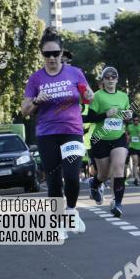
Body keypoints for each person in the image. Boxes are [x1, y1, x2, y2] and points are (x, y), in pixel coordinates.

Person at [21, 27, 91, 233]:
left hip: (72, 131)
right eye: (47, 54)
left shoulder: (75, 73)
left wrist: (88, 94)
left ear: (62, 53)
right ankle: (58, 222)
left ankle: (70, 211)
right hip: (47, 135)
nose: (51, 58)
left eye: (55, 53)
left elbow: (88, 98)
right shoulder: (35, 79)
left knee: (71, 175)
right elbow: (25, 111)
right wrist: (36, 101)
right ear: (41, 54)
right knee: (53, 181)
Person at [84, 66, 132, 217]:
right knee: (103, 175)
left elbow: (127, 116)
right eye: (107, 77)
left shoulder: (124, 96)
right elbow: (89, 118)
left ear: (117, 79)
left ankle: (117, 203)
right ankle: (96, 183)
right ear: (103, 81)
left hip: (118, 137)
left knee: (118, 168)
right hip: (100, 139)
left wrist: (129, 115)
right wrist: (105, 114)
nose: (110, 79)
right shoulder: (97, 96)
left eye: (113, 77)